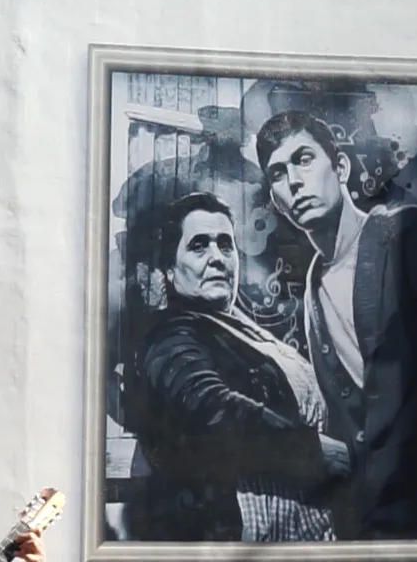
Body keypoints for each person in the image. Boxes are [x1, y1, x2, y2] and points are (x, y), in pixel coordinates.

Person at [123, 191, 349, 541]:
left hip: (307, 523)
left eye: (225, 245)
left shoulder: (244, 330)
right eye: (199, 246)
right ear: (170, 268)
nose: (217, 258)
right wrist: (309, 451)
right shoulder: (170, 337)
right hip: (227, 540)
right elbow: (210, 410)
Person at [254, 110, 417, 540]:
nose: (293, 181)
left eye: (304, 160)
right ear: (274, 197)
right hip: (372, 514)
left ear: (342, 168)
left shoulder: (405, 235)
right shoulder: (312, 288)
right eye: (278, 173)